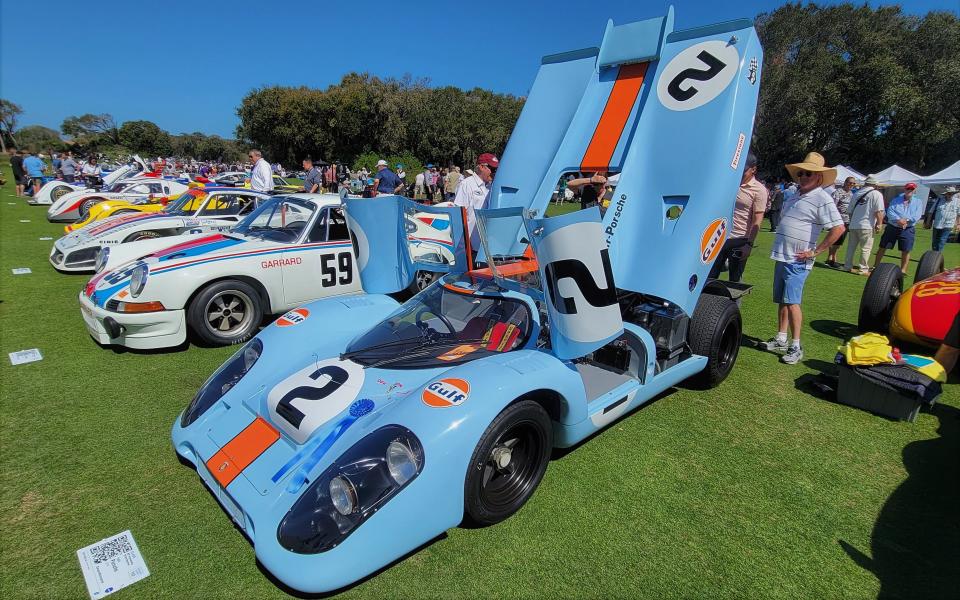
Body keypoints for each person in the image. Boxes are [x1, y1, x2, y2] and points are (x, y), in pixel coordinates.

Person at [764, 152, 845, 364]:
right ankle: (781, 338)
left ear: (819, 177)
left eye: (808, 173)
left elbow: (838, 228)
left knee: (792, 302)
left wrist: (815, 252)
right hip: (783, 256)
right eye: (801, 173)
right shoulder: (795, 195)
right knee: (782, 300)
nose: (803, 176)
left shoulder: (822, 198)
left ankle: (796, 345)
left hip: (798, 260)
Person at [708, 152, 767, 282]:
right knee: (709, 277)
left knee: (735, 281)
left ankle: (733, 303)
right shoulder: (730, 183)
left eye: (744, 170)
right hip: (719, 237)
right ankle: (707, 301)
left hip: (740, 240)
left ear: (753, 169)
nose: (741, 172)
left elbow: (757, 219)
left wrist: (749, 244)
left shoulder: (759, 190)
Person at [873, 182, 923, 275]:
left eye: (912, 189)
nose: (909, 191)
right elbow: (890, 212)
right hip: (892, 227)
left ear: (915, 191)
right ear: (905, 189)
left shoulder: (918, 202)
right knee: (882, 247)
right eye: (908, 189)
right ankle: (875, 266)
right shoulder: (896, 200)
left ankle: (903, 270)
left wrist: (906, 220)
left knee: (906, 250)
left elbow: (917, 215)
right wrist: (898, 220)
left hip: (908, 229)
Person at [454, 153, 499, 250]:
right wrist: (464, 243)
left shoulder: (492, 186)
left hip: (487, 245)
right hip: (471, 245)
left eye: (496, 169)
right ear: (482, 167)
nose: (495, 172)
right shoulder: (466, 184)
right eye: (493, 169)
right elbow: (458, 214)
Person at [843, 176, 885, 274]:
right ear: (875, 184)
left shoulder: (856, 193)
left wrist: (853, 221)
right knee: (866, 248)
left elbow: (849, 211)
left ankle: (847, 266)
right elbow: (879, 211)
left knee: (851, 247)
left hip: (854, 224)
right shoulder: (876, 194)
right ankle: (863, 269)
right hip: (867, 225)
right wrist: (879, 224)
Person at [825, 176, 855, 267]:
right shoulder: (837, 192)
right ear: (845, 182)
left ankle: (834, 258)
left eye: (853, 183)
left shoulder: (851, 194)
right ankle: (830, 258)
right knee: (834, 239)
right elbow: (832, 206)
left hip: (847, 221)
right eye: (850, 183)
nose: (851, 185)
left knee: (840, 241)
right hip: (838, 220)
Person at [925, 186, 959, 252]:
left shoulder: (958, 201)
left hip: (949, 224)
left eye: (952, 193)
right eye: (949, 193)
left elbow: (959, 214)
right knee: (935, 241)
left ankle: (938, 256)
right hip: (937, 224)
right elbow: (931, 212)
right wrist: (928, 222)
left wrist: (958, 224)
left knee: (942, 240)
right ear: (946, 194)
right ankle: (934, 254)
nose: (950, 195)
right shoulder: (939, 200)